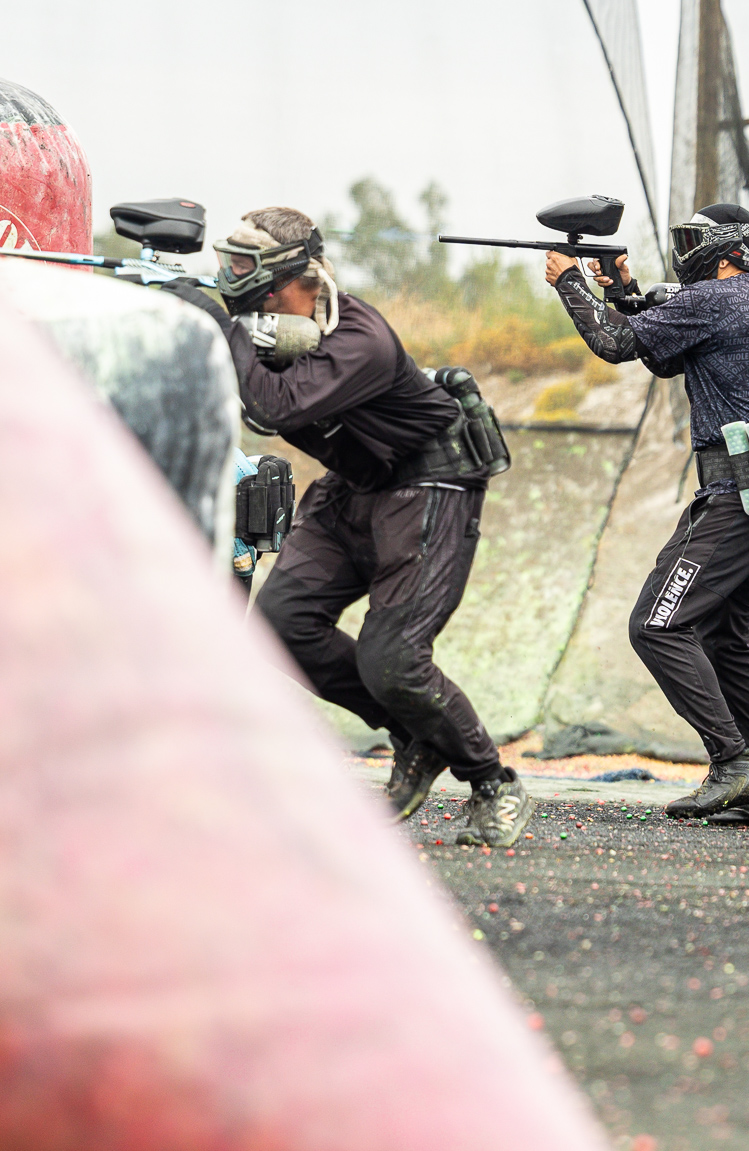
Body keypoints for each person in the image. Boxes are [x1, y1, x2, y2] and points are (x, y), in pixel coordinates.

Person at [169, 205, 533, 847]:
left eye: (244, 266)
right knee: (282, 627)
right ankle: (415, 736)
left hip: (429, 484)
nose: (231, 276)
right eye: (228, 262)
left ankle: (491, 781)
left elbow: (272, 406)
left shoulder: (360, 338)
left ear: (287, 278)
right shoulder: (270, 328)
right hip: (355, 484)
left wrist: (218, 325)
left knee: (393, 659)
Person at [546, 203, 749, 826]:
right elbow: (661, 354)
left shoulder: (716, 300)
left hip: (740, 492)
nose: (683, 250)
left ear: (726, 253)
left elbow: (615, 343)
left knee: (657, 626)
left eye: (693, 240)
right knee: (724, 637)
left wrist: (570, 282)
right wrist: (623, 288)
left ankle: (733, 764)